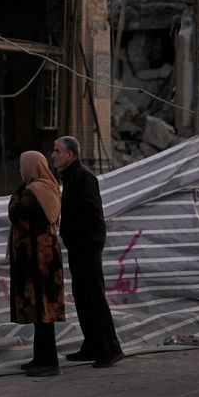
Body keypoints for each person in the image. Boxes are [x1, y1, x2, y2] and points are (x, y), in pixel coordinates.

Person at [51, 135, 125, 368]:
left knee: (94, 297)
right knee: (82, 297)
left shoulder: (83, 177)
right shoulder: (70, 177)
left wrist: (75, 234)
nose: (53, 155)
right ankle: (92, 345)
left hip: (87, 247)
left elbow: (93, 214)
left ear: (70, 155)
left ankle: (111, 348)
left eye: (57, 151)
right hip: (78, 246)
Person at [8, 150, 65, 377]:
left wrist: (18, 191)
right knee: (42, 310)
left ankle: (49, 362)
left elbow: (15, 212)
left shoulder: (34, 191)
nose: (21, 171)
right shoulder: (49, 186)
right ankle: (40, 358)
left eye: (23, 166)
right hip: (46, 255)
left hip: (37, 257)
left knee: (43, 311)